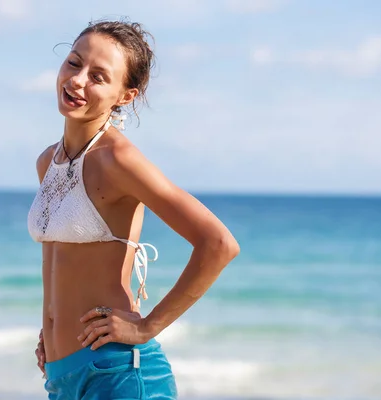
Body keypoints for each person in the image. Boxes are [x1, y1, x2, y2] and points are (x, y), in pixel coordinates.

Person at [27, 19, 240, 399]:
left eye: (98, 76)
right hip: (62, 376)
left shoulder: (118, 160)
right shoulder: (48, 162)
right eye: (74, 64)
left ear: (125, 95)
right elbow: (62, 265)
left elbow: (218, 243)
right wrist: (52, 331)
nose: (77, 81)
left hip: (117, 373)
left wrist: (147, 327)